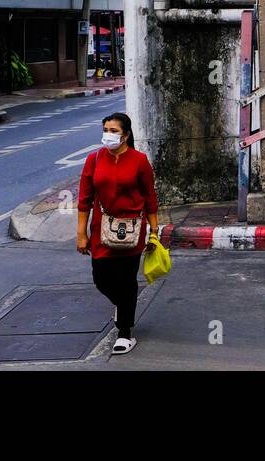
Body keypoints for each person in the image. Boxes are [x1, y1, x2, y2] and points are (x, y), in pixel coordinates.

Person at [77, 111, 158, 355]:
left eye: (114, 131)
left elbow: (150, 197)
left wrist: (154, 230)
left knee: (126, 280)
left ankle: (125, 332)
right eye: (106, 130)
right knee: (101, 279)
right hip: (101, 231)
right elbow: (84, 200)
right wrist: (81, 234)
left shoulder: (139, 161)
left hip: (132, 230)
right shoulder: (94, 160)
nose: (108, 135)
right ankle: (122, 306)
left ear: (126, 135)